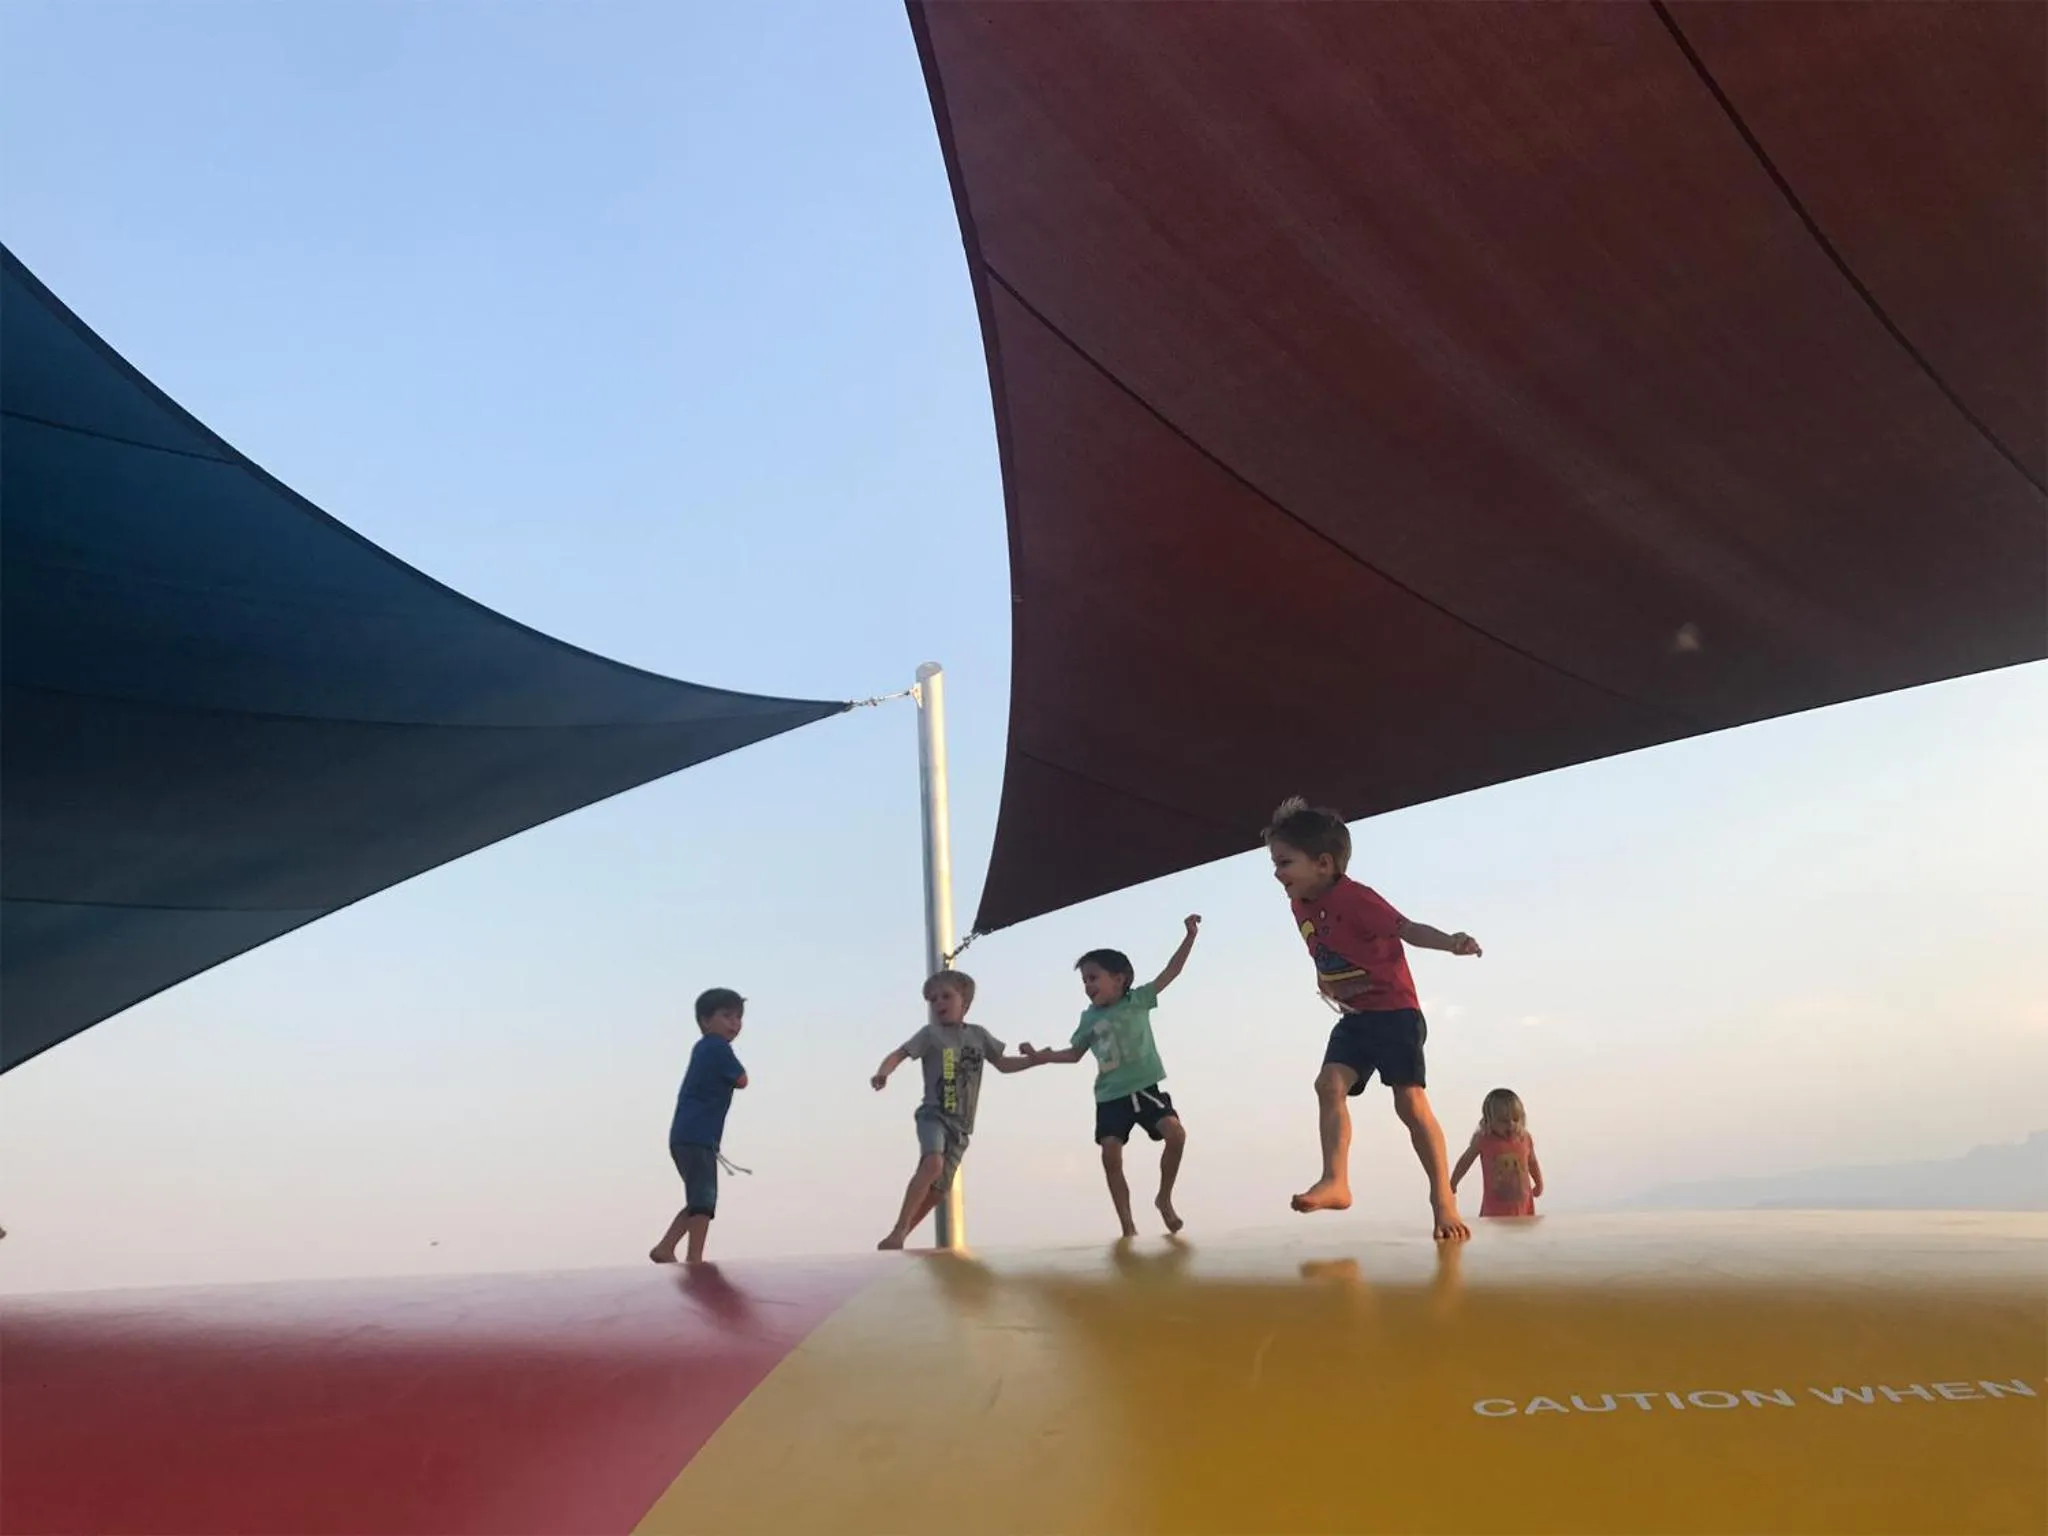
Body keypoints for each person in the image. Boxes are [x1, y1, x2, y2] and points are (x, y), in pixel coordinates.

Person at [1263, 796, 1483, 1240]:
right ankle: (1336, 1181)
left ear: (1323, 863)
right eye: (1274, 863)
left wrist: (1450, 942)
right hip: (1357, 1017)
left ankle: (1443, 1199)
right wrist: (1326, 981)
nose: (1276, 874)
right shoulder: (1299, 904)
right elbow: (1325, 949)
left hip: (1396, 1012)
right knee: (1329, 1084)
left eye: (1284, 862)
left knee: (1409, 1102)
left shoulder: (1358, 899)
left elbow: (1407, 929)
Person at [1019, 916, 1202, 1237]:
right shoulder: (1088, 1019)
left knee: (1176, 1135)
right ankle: (1128, 1225)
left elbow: (1171, 971)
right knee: (1111, 1156)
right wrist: (1041, 1057)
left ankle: (1164, 1199)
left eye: (1093, 978)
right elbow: (1074, 1054)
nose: (1088, 986)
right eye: (1085, 981)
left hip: (1145, 1089)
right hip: (1110, 1097)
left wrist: (1189, 936)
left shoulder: (1138, 1000)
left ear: (1119, 979)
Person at [871, 969, 1032, 1250]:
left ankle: (904, 1234)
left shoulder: (979, 1036)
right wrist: (884, 1072)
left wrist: (1036, 1060)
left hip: (962, 1125)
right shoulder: (930, 1035)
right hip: (934, 1115)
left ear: (965, 1003)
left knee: (938, 1191)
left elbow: (1003, 1064)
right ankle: (897, 1230)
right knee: (932, 1163)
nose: (938, 1003)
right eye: (932, 1000)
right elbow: (900, 1053)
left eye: (946, 996)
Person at [650, 987, 749, 1265]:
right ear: (706, 1021)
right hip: (697, 1136)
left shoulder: (705, 1048)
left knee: (699, 1199)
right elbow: (742, 1080)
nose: (734, 1023)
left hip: (687, 1135)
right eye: (727, 1016)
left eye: (738, 1017)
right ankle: (694, 1257)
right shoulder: (717, 1047)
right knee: (704, 1200)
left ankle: (666, 1246)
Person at [1451, 1088, 1543, 1217]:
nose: (1511, 1125)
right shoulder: (1484, 1140)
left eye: (1515, 1119)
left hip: (1523, 1210)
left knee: (1523, 1235)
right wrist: (1452, 1183)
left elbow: (1532, 1162)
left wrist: (1539, 1183)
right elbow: (1466, 1161)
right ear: (1489, 1120)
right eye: (1504, 1121)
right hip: (1494, 1212)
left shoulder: (1524, 1138)